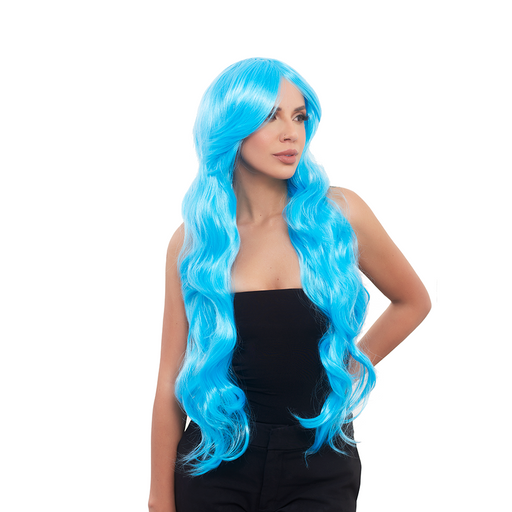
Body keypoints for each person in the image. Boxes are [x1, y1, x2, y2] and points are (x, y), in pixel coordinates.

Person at [148, 58, 431, 512]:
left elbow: (412, 301)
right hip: (216, 464)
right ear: (231, 127)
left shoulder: (339, 216)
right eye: (270, 117)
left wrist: (349, 368)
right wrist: (159, 501)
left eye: (299, 117)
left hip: (319, 461)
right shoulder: (195, 243)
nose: (291, 133)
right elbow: (170, 382)